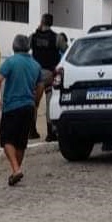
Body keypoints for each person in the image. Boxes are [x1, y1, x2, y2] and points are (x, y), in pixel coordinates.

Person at [0, 35, 45, 186]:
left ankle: (16, 169)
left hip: (12, 107)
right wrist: (36, 102)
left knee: (7, 139)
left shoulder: (10, 62)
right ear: (28, 47)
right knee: (21, 142)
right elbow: (40, 86)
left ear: (14, 46)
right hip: (28, 107)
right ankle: (16, 169)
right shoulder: (35, 65)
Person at [29, 13, 65, 141]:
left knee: (34, 102)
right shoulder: (57, 38)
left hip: (35, 73)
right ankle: (51, 132)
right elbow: (66, 51)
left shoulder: (33, 37)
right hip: (50, 73)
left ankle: (31, 130)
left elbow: (25, 47)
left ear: (42, 22)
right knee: (50, 102)